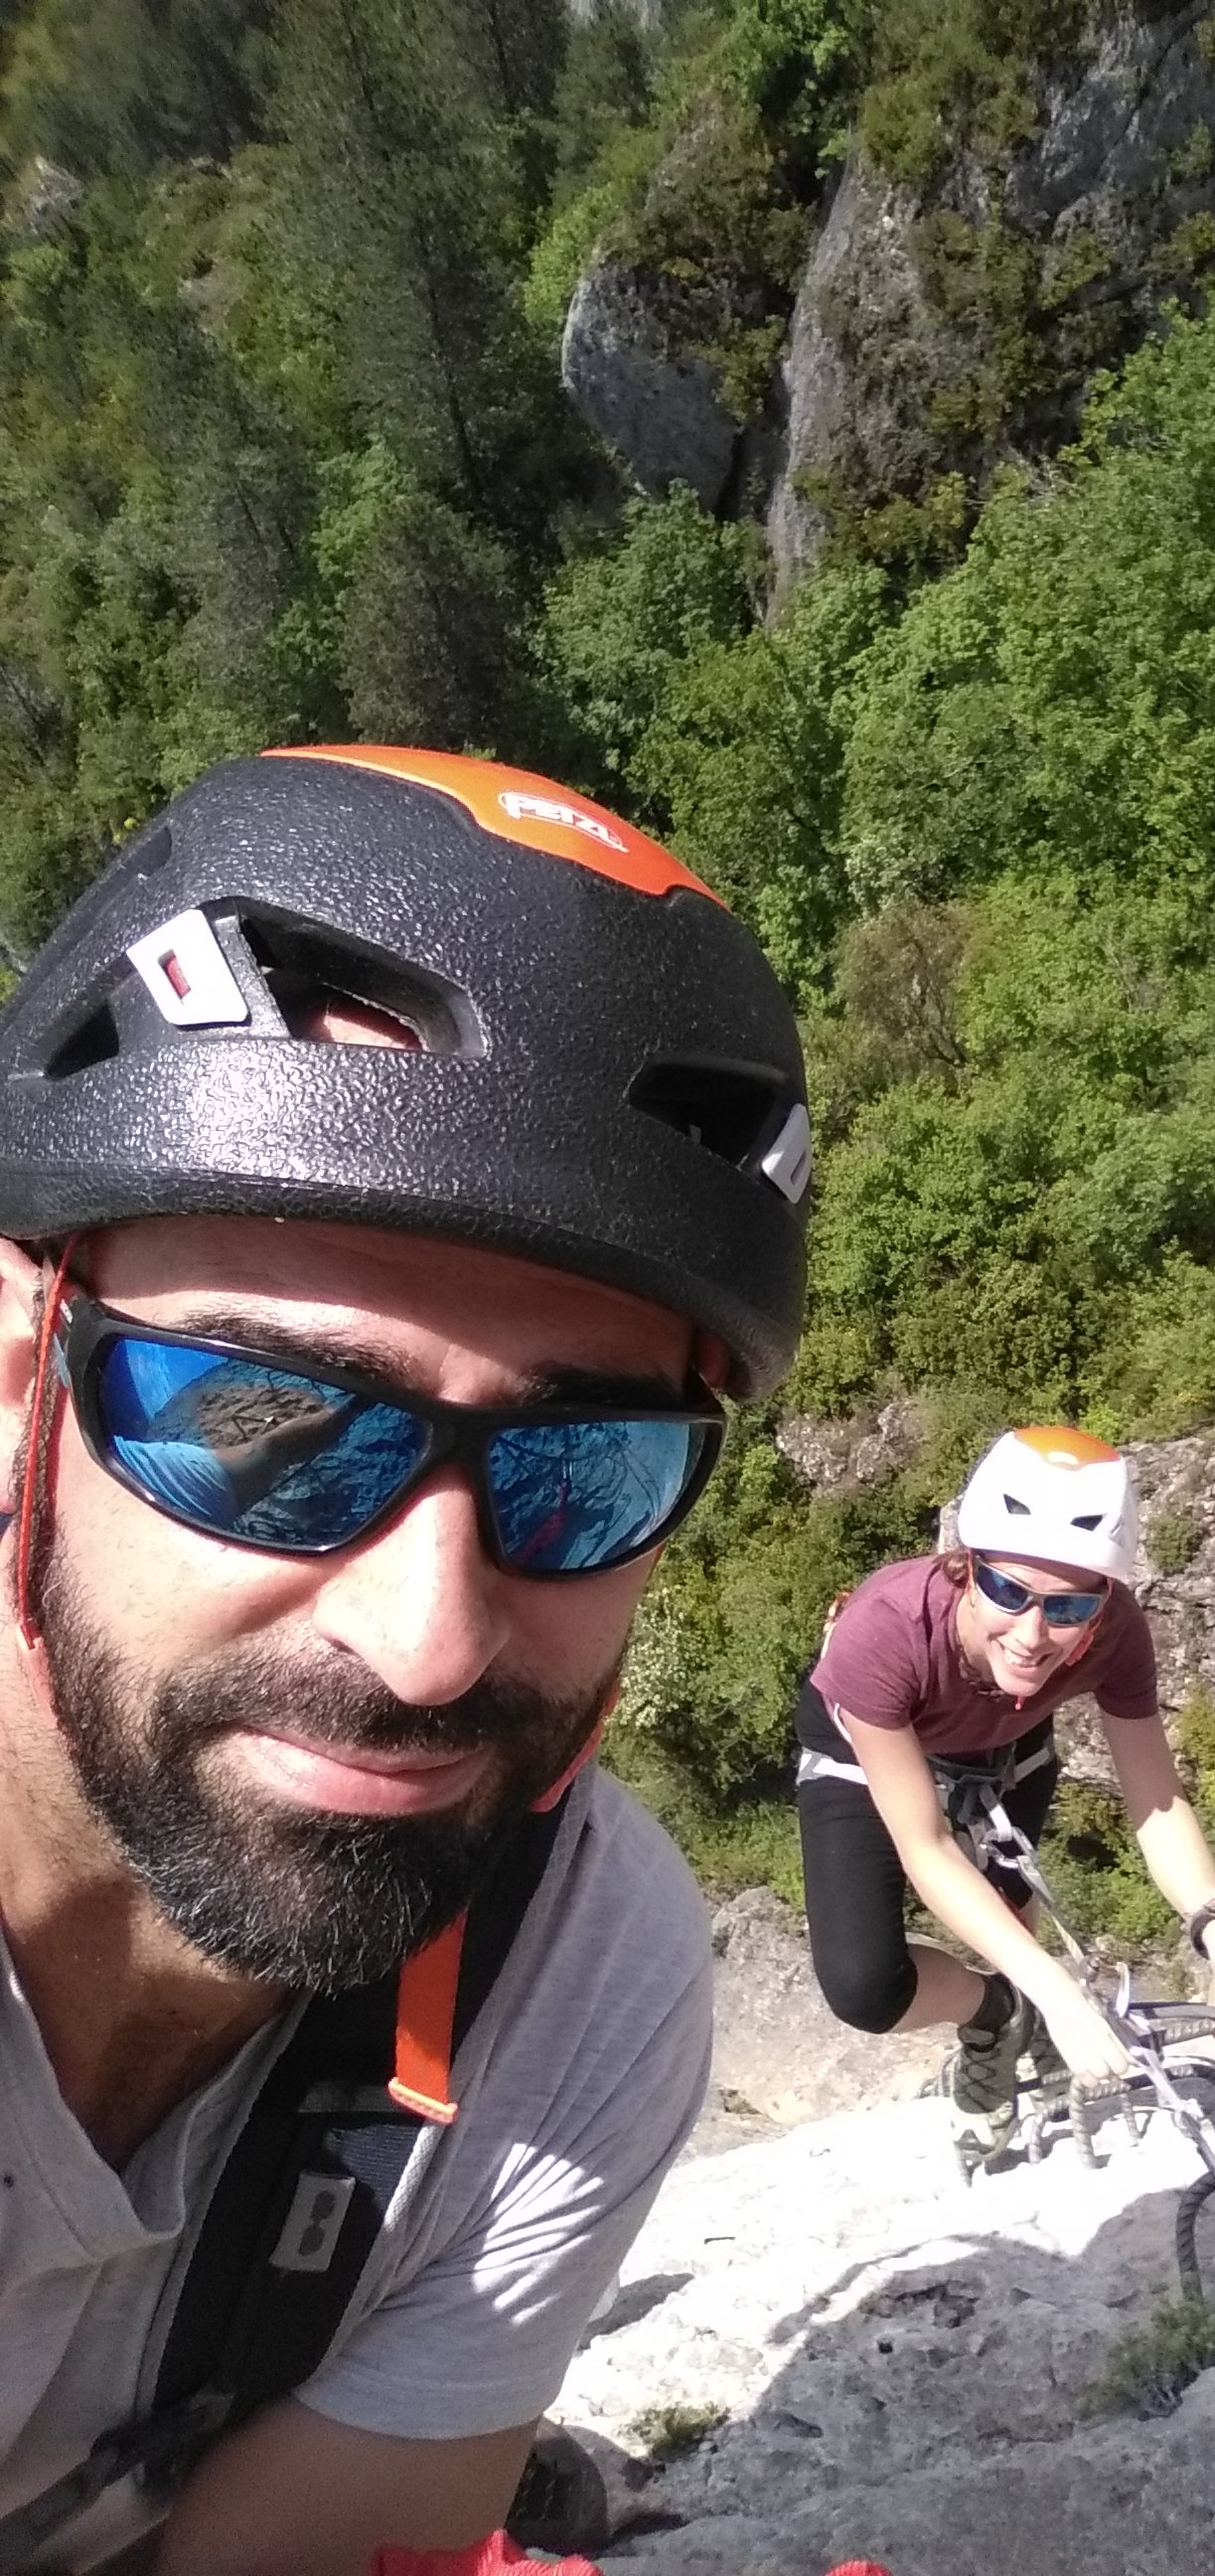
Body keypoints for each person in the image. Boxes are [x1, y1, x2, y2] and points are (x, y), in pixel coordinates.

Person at [0, 745, 811, 2573]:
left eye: (582, 1467)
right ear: (17, 1373)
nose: (428, 1640)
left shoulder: (575, 1974)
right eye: (270, 1421)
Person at [796, 1426, 1215, 2171]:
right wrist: (1053, 1994)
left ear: (1102, 1604)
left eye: (1067, 1610)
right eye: (1006, 1591)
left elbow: (1156, 1801)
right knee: (865, 1988)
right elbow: (924, 1848)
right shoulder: (885, 1632)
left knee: (1008, 1925)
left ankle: (1018, 2011)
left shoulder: (1116, 1630)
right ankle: (1000, 2016)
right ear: (965, 1569)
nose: (1031, 1635)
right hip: (871, 1748)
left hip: (1003, 1746)